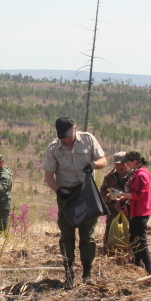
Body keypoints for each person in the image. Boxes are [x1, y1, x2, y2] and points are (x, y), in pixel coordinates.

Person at [42, 116, 107, 287]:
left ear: (75, 129)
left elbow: (104, 161)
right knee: (67, 236)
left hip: (87, 192)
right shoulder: (53, 148)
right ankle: (69, 273)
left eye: (69, 135)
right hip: (67, 194)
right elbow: (48, 176)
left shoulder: (88, 139)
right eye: (63, 136)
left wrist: (93, 165)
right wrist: (59, 191)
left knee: (88, 235)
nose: (67, 139)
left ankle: (87, 273)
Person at [115, 150, 151, 274]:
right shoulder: (136, 173)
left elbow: (138, 195)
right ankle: (137, 265)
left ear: (135, 162)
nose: (126, 164)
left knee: (141, 241)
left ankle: (150, 271)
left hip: (141, 211)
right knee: (134, 239)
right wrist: (123, 197)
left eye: (128, 162)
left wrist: (121, 194)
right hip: (134, 210)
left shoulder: (141, 175)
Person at [99, 151, 131, 254]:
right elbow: (102, 192)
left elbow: (138, 193)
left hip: (130, 210)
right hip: (113, 210)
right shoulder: (109, 177)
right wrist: (111, 197)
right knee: (110, 234)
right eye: (117, 164)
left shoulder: (133, 175)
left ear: (127, 163)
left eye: (122, 164)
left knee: (130, 234)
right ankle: (109, 256)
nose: (120, 166)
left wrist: (124, 201)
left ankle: (129, 256)